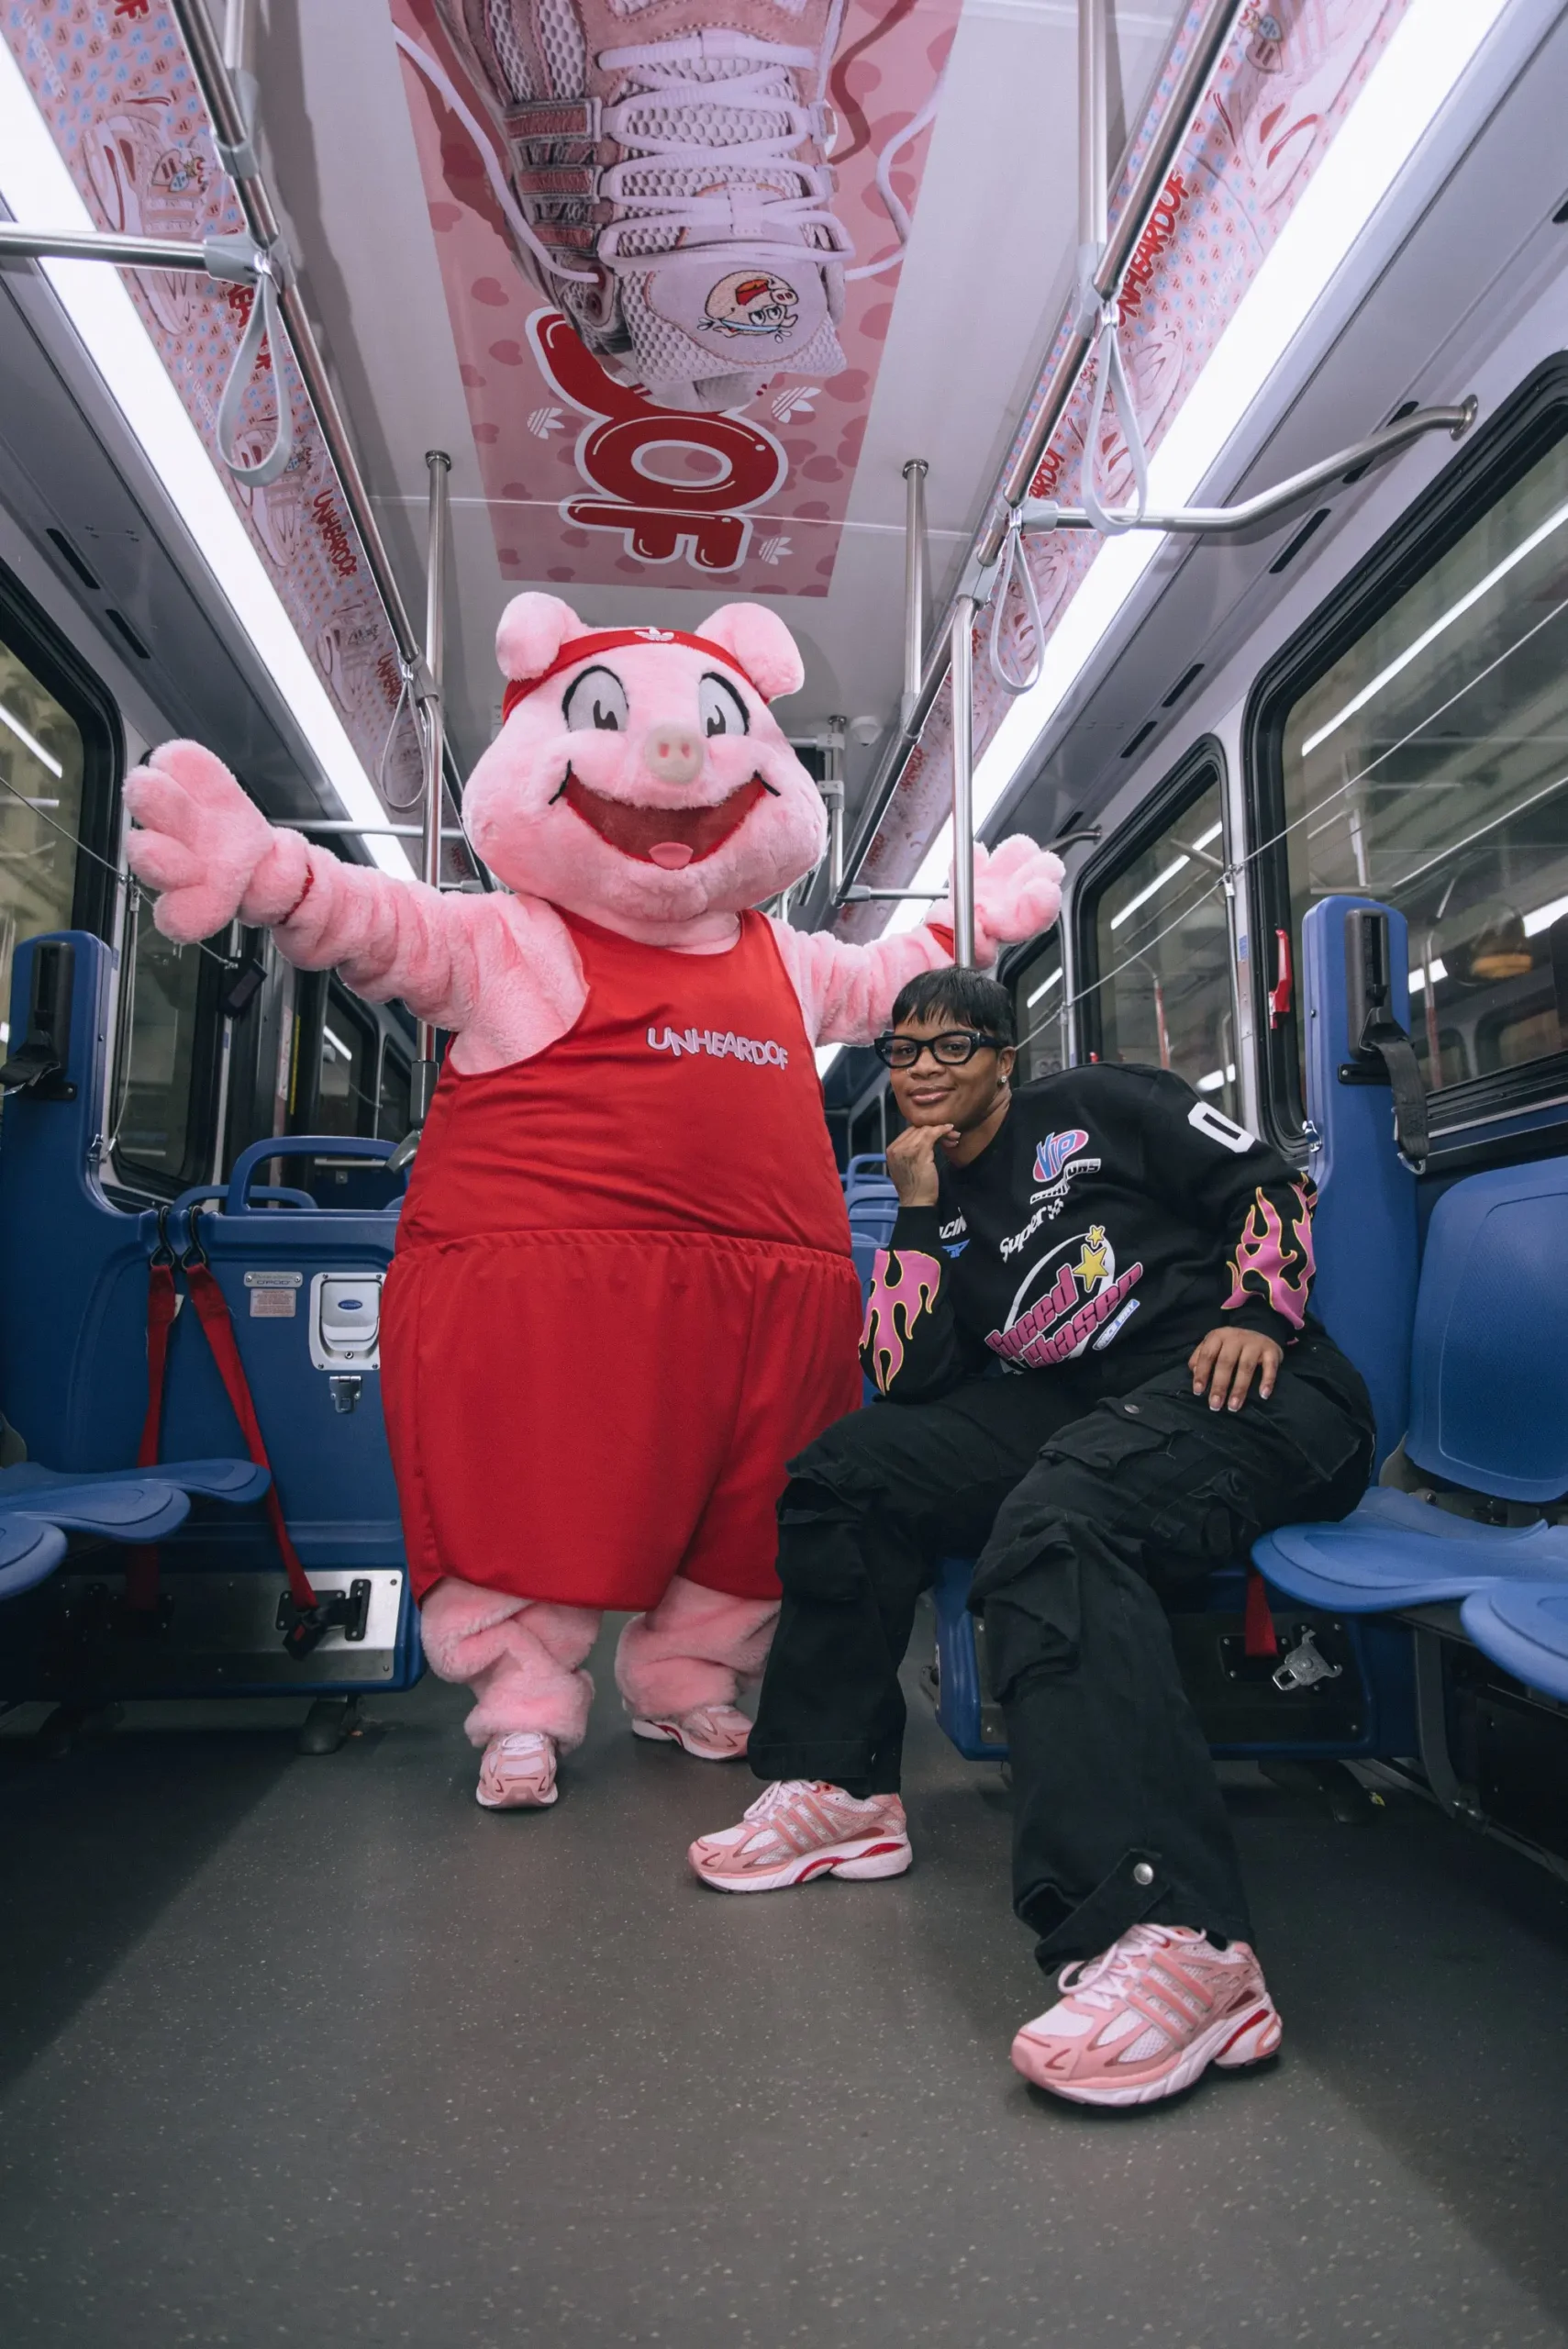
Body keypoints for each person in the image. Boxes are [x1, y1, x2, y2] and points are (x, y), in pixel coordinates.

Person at [687, 968, 1374, 2109]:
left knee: (1051, 1525)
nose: (919, 1073)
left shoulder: (1106, 1107)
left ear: (1007, 1054)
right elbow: (901, 1378)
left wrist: (1256, 1309)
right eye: (900, 1054)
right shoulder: (934, 1195)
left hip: (1251, 1382)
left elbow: (1267, 1189)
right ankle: (839, 1787)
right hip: (1083, 1407)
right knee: (848, 1472)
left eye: (949, 1049)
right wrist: (911, 1214)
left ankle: (1182, 1940)